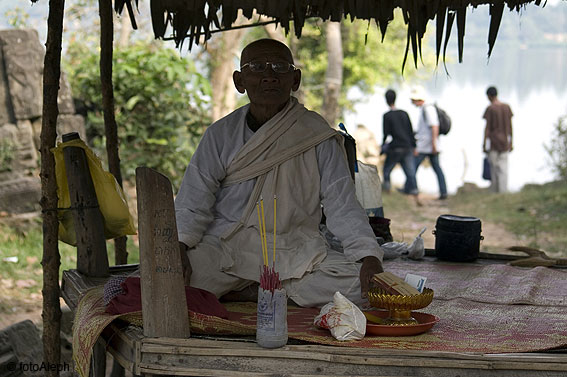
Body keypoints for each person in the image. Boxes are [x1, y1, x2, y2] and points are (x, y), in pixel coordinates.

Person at [174, 39, 384, 308]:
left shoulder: (316, 133)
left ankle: (253, 291)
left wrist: (369, 256)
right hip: (227, 249)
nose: (269, 76)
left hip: (295, 252)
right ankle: (270, 291)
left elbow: (342, 204)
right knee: (164, 280)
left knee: (364, 287)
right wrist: (178, 246)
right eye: (258, 67)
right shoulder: (220, 134)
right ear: (240, 81)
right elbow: (193, 200)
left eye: (279, 67)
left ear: (295, 79)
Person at [410, 86, 448, 200]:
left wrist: (434, 144)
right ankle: (443, 192)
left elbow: (434, 126)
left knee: (413, 166)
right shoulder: (424, 109)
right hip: (427, 145)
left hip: (427, 146)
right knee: (436, 168)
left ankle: (410, 188)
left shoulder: (428, 109)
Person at [381, 89, 419, 199]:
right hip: (407, 147)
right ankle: (414, 190)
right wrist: (414, 146)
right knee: (410, 172)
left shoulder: (386, 116)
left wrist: (382, 147)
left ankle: (387, 189)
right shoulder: (404, 113)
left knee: (387, 170)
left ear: (386, 100)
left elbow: (386, 134)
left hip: (395, 148)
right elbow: (410, 131)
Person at [483, 86, 513, 193]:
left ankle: (495, 191)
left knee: (494, 169)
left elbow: (487, 129)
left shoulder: (490, 109)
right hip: (505, 143)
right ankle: (503, 191)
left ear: (489, 96)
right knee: (504, 169)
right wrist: (511, 142)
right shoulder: (507, 107)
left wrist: (484, 144)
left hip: (494, 143)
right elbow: (510, 127)